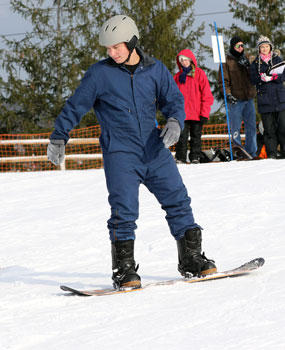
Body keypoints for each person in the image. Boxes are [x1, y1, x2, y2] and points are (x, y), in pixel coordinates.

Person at [47, 15, 216, 290]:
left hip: (154, 149)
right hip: (120, 153)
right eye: (108, 49)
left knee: (178, 201)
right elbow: (75, 105)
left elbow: (174, 99)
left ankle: (191, 259)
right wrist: (58, 137)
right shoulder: (100, 74)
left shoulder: (156, 70)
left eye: (116, 47)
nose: (111, 53)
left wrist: (175, 120)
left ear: (132, 42)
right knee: (124, 212)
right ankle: (124, 270)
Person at [218, 36, 257, 158]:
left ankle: (252, 151)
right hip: (235, 99)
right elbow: (223, 81)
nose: (240, 48)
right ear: (232, 47)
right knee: (235, 127)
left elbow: (255, 77)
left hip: (248, 97)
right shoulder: (226, 61)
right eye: (237, 46)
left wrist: (248, 67)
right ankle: (238, 150)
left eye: (242, 46)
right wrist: (228, 94)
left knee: (251, 126)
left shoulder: (248, 58)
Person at [174, 49, 214, 164]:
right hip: (182, 114)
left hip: (197, 113)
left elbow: (207, 95)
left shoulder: (200, 74)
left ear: (191, 60)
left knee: (196, 137)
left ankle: (195, 157)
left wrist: (204, 113)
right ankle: (180, 158)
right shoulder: (177, 77)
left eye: (186, 60)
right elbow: (173, 95)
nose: (184, 62)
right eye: (182, 60)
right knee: (181, 138)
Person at [249, 35, 285, 159]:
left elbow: (283, 75)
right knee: (268, 130)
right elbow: (252, 79)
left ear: (270, 47)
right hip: (265, 102)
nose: (264, 49)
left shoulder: (277, 59)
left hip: (280, 100)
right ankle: (272, 154)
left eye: (266, 46)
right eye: (262, 47)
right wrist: (261, 78)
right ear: (259, 49)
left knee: (283, 128)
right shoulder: (255, 63)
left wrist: (274, 77)